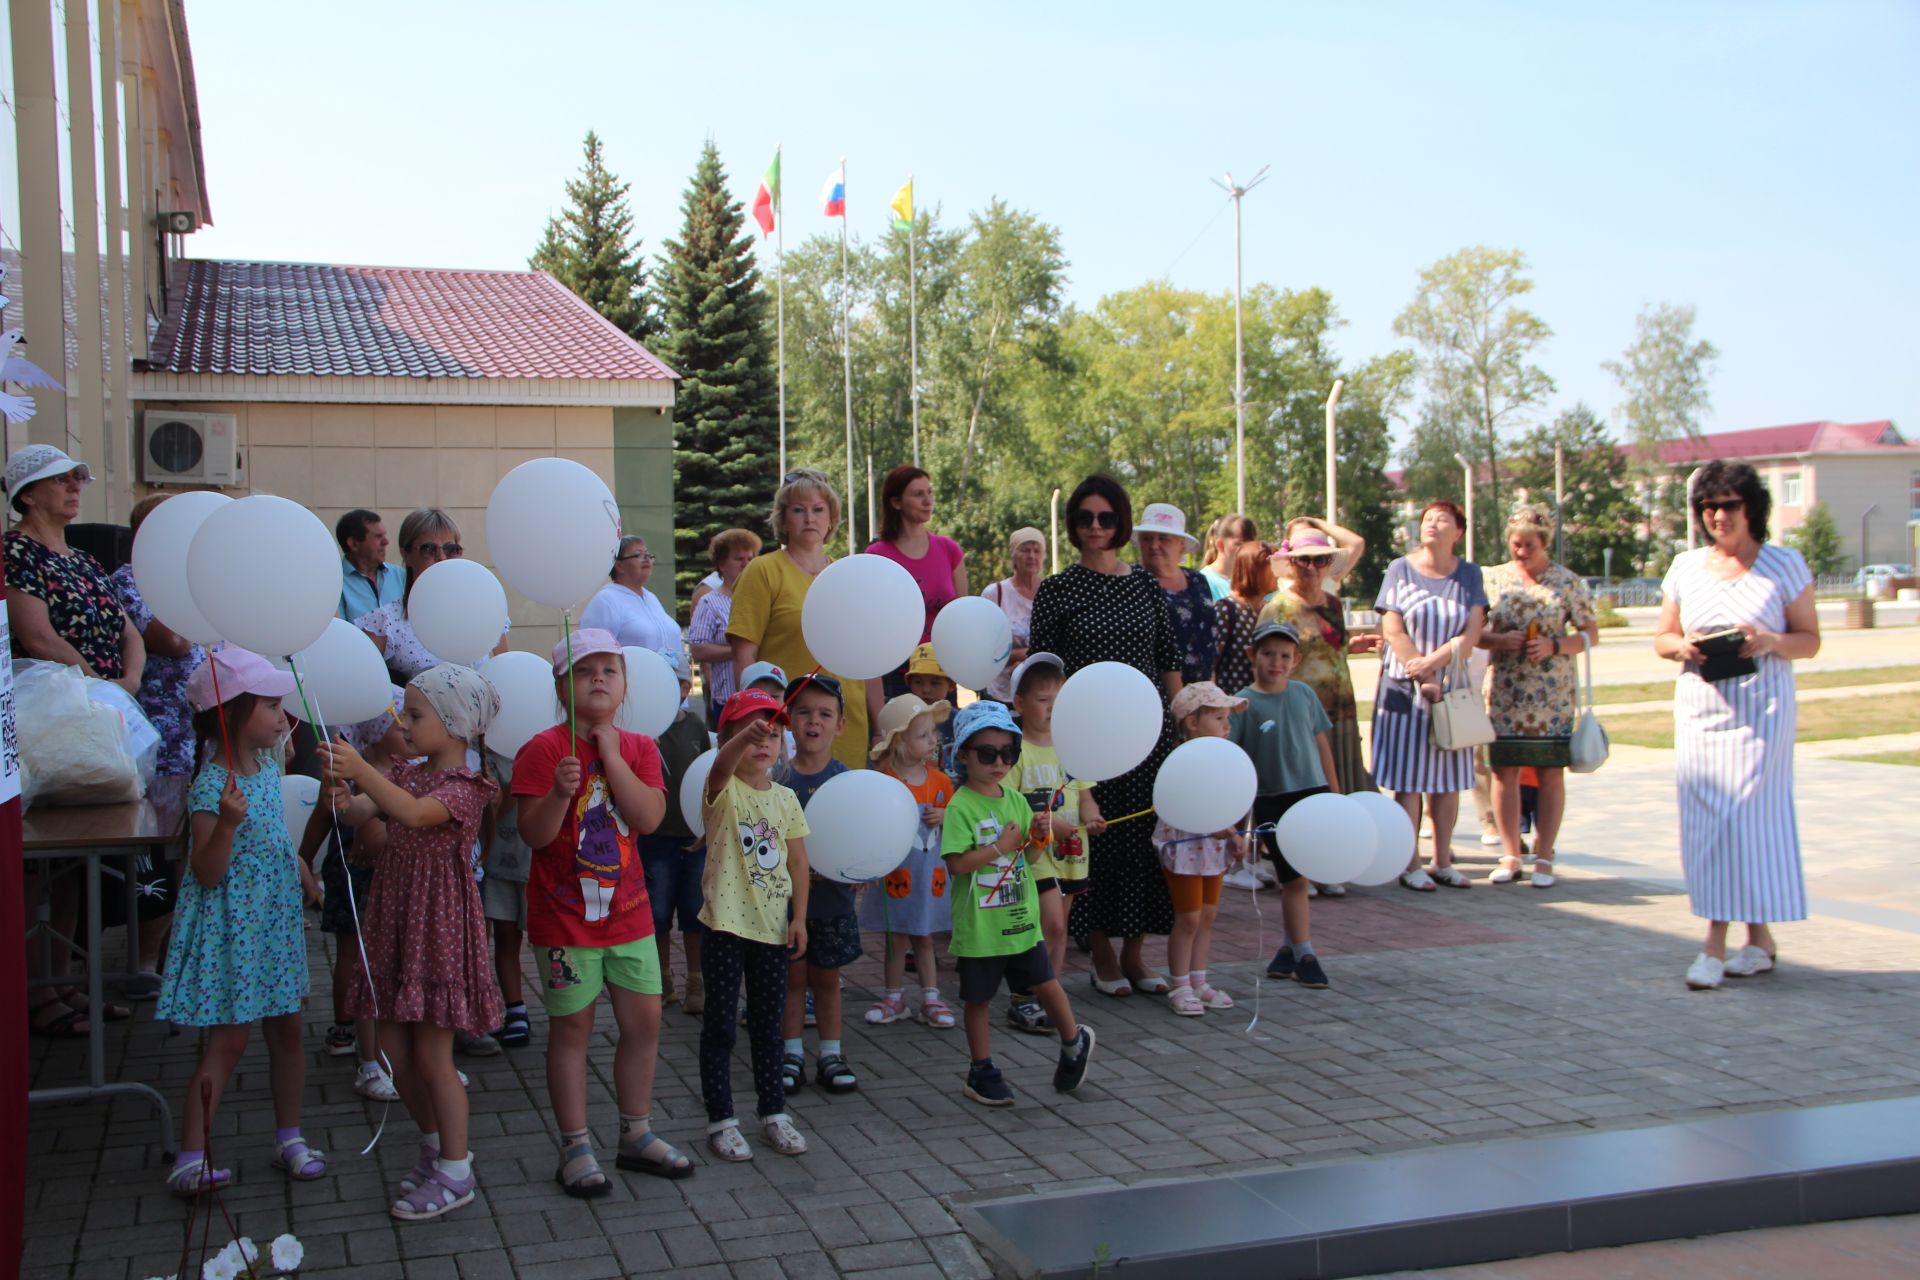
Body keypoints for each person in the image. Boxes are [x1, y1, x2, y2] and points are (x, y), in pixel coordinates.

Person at [317, 665, 502, 1220]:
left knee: (432, 1055)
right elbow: (359, 812)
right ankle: (432, 1144)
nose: (404, 720)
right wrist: (341, 787)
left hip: (437, 929)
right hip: (398, 921)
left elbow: (416, 815)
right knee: (394, 1052)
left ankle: (456, 1169)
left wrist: (364, 774)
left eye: (417, 714)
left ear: (453, 723)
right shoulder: (408, 771)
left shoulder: (466, 787)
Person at [511, 631, 685, 1194]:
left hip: (631, 919)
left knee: (645, 1023)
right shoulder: (541, 749)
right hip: (565, 923)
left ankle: (636, 1133)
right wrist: (560, 794)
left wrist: (610, 755)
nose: (600, 680)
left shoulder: (638, 746)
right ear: (562, 688)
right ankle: (575, 1144)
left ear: (626, 684)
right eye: (585, 671)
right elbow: (533, 836)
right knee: (572, 1029)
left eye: (610, 670)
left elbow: (650, 817)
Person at [158, 648, 322, 1196]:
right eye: (271, 706)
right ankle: (190, 1154)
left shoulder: (266, 767)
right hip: (236, 935)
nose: (283, 716)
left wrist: (300, 869)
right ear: (230, 712)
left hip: (274, 928)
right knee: (228, 1043)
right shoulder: (212, 787)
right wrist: (225, 826)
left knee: (289, 1033)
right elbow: (206, 872)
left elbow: (274, 837)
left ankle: (290, 1137)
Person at [1654, 461, 1820, 991]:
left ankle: (1713, 944)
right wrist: (1681, 646)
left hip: (1762, 712)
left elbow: (1809, 639)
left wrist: (1768, 639)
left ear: (1752, 508)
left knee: (1745, 821)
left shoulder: (1784, 565)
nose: (1717, 516)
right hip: (1702, 709)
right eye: (1707, 507)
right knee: (1709, 824)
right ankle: (1761, 940)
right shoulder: (1685, 567)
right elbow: (1662, 637)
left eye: (1728, 505)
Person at [7, 444, 144, 1035]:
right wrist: (98, 684)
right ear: (27, 494)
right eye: (59, 480)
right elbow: (35, 636)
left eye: (78, 477)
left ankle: (63, 983)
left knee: (74, 867)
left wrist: (127, 682)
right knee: (41, 863)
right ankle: (35, 993)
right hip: (51, 719)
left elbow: (127, 629)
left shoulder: (84, 558)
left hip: (100, 715)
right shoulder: (14, 552)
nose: (74, 486)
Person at [1029, 476, 1180, 996]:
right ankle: (1101, 952)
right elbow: (1043, 667)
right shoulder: (1057, 589)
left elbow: (1168, 659)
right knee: (1093, 842)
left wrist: (1179, 724)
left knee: (1142, 842)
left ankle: (1136, 954)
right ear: (1073, 524)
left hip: (1147, 732)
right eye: (1086, 517)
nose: (1096, 527)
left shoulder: (1145, 586)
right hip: (1084, 736)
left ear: (1121, 523)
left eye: (1107, 518)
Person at [941, 700, 1096, 1107]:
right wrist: (998, 847)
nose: (999, 763)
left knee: (1045, 982)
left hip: (1020, 918)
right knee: (978, 999)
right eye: (988, 754)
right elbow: (957, 865)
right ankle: (981, 1069)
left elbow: (1025, 859)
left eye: (1008, 754)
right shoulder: (960, 806)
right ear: (964, 754)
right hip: (981, 926)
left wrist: (1041, 837)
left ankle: (1072, 1041)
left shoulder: (1013, 798)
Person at [698, 690, 811, 1161]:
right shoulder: (722, 790)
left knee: (769, 1026)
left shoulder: (786, 798)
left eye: (773, 731)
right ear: (729, 737)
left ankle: (773, 1113)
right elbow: (720, 766)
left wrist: (799, 918)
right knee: (721, 1026)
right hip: (725, 926)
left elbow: (799, 863)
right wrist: (739, 739)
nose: (764, 740)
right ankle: (722, 1121)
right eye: (751, 732)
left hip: (771, 930)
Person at [108, 493, 204, 994]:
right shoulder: (129, 581)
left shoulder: (191, 581)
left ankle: (177, 953)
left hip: (197, 734)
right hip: (158, 739)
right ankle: (146, 962)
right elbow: (174, 641)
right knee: (158, 851)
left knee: (189, 844)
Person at [1478, 504, 1598, 890]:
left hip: (1552, 694)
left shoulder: (1566, 581)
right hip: (1506, 690)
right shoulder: (1491, 579)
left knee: (1550, 772)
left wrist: (1555, 644)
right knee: (1503, 770)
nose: (1521, 552)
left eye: (1529, 544)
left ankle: (1544, 856)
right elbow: (1473, 632)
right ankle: (1511, 853)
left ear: (1544, 543)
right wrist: (1499, 639)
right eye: (1516, 544)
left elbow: (1591, 634)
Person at [1371, 500, 1486, 891]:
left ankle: (1442, 859)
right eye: (1427, 519)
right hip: (1403, 686)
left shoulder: (1469, 574)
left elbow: (1471, 633)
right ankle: (1410, 862)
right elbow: (1393, 628)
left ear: (1459, 532)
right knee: (1409, 778)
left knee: (1448, 777)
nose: (1433, 524)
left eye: (1443, 519)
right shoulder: (1399, 569)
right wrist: (1418, 671)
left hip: (1449, 687)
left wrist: (1434, 664)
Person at [728, 468, 870, 768]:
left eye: (818, 510)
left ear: (831, 518)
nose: (810, 518)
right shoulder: (762, 571)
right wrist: (754, 720)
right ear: (783, 518)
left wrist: (881, 723)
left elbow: (871, 657)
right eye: (798, 510)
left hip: (849, 725)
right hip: (786, 727)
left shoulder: (851, 575)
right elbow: (744, 657)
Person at [300, 695, 406, 1099]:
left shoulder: (407, 773)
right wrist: (304, 859)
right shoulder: (352, 776)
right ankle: (347, 1025)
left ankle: (383, 1045)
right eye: (400, 725)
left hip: (390, 879)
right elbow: (322, 816)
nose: (408, 732)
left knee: (382, 962)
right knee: (353, 954)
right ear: (377, 735)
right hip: (353, 876)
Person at [1228, 623, 1339, 988]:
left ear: (1296, 661)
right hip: (1273, 800)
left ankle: (1289, 950)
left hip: (1313, 792)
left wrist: (1334, 795)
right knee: (1294, 878)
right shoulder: (1243, 704)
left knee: (1299, 876)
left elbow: (1321, 744)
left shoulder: (1305, 695)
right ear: (1252, 656)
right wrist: (1239, 823)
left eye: (1285, 656)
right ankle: (1305, 952)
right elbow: (1238, 764)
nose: (1276, 662)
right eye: (1268, 653)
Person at [1003, 652, 1105, 1033]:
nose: (1051, 709)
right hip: (1035, 852)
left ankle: (1050, 992)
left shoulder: (1071, 746)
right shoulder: (1015, 751)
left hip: (1072, 852)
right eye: (1043, 700)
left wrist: (1091, 816)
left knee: (1060, 924)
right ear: (1020, 703)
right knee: (1049, 922)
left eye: (1058, 701)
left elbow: (1086, 792)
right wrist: (1046, 825)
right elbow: (1008, 806)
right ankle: (1025, 997)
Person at [776, 674, 863, 1094]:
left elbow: (865, 834)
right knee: (792, 981)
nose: (814, 722)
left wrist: (865, 869)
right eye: (804, 712)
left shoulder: (847, 783)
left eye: (825, 714)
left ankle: (831, 1052)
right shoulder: (776, 782)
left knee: (827, 980)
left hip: (832, 900)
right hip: (787, 905)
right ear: (789, 720)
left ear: (840, 725)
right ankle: (790, 1053)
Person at [859, 693, 957, 1030]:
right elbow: (871, 825)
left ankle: (931, 996)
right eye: (923, 735)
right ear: (899, 742)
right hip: (896, 874)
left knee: (925, 936)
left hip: (928, 875)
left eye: (933, 733)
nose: (933, 740)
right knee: (895, 937)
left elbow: (958, 815)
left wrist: (945, 814)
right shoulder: (884, 781)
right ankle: (894, 996)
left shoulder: (941, 782)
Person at [1261, 521, 1378, 797]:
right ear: (1291, 563)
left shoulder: (1333, 604)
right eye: (1304, 560)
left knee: (1345, 785)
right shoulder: (1278, 607)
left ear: (1328, 563)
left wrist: (1350, 646)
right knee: (1310, 786)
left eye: (1319, 559)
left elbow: (1320, 650)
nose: (1311, 567)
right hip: (1302, 715)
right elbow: (1268, 665)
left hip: (1341, 710)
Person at [1156, 683, 1250, 1014]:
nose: (1227, 726)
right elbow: (1186, 803)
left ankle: (1199, 979)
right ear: (1193, 723)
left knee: (1208, 916)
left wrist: (1235, 832)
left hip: (1213, 849)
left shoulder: (1222, 759)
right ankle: (1179, 984)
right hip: (1186, 847)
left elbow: (1227, 802)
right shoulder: (1182, 760)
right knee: (1189, 918)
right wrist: (1221, 827)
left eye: (1228, 718)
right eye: (1219, 717)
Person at [356, 508, 507, 682]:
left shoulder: (486, 612)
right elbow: (359, 681)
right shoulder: (385, 623)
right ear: (406, 554)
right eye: (429, 549)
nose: (442, 557)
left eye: (451, 549)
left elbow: (503, 675)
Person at [641, 651, 712, 1013]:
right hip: (654, 836)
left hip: (694, 838)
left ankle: (695, 981)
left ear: (686, 688)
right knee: (657, 912)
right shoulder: (644, 730)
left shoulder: (695, 726)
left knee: (695, 912)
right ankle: (662, 977)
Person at [866, 465, 968, 698]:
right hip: (898, 673)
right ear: (896, 502)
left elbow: (962, 615)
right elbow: (872, 625)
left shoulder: (949, 550)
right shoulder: (876, 556)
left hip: (942, 673)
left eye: (929, 493)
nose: (927, 500)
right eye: (918, 494)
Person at [480, 738, 532, 1049]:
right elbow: (488, 815)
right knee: (505, 936)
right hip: (498, 859)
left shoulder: (544, 744)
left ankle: (562, 1007)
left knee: (547, 942)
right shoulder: (485, 752)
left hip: (537, 859)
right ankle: (516, 1009)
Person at [1136, 503, 1217, 686]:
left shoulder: (1198, 580)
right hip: (1154, 692)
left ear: (1181, 545)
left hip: (1201, 692)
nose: (1154, 545)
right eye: (1147, 538)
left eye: (1163, 539)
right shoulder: (1133, 582)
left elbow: (1210, 639)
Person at [687, 527, 762, 719]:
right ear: (721, 564)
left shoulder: (761, 599)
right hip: (729, 699)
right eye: (739, 559)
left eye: (750, 558)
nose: (746, 564)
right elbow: (697, 649)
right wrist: (739, 650)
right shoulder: (709, 602)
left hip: (764, 697)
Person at [581, 534, 683, 659]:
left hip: (669, 677)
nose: (646, 559)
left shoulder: (651, 598)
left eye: (648, 554)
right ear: (619, 566)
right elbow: (593, 652)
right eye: (637, 555)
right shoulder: (606, 600)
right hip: (632, 677)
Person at [981, 526, 1046, 703]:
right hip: (999, 693)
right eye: (1025, 550)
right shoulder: (995, 594)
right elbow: (984, 649)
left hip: (1040, 694)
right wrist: (1026, 654)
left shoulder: (1052, 593)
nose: (1031, 556)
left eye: (1037, 550)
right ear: (1014, 556)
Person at [1213, 540, 1277, 698]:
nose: (1276, 573)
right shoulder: (1226, 609)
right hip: (1233, 706)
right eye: (1271, 567)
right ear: (1254, 570)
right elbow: (1209, 665)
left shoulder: (1267, 610)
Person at [336, 508, 403, 622]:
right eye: (378, 536)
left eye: (384, 535)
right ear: (354, 543)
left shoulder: (401, 576)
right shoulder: (336, 584)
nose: (386, 542)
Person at [904, 642, 959, 775]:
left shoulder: (959, 721)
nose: (926, 689)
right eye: (918, 682)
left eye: (935, 683)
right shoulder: (903, 721)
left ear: (951, 685)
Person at [1199, 513, 1258, 601]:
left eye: (1250, 545)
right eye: (1239, 544)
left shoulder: (1253, 580)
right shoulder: (1202, 581)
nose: (1247, 550)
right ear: (1220, 545)